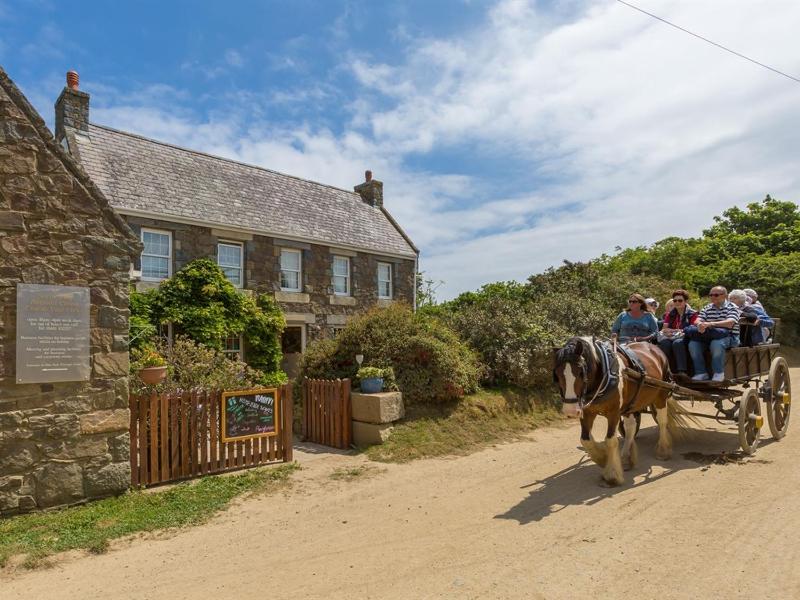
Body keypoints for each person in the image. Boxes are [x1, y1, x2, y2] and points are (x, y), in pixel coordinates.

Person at [687, 286, 741, 382]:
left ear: (725, 296)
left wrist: (711, 324)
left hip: (730, 337)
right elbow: (698, 319)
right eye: (711, 295)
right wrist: (700, 324)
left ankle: (718, 373)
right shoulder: (707, 307)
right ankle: (701, 373)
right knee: (693, 344)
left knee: (716, 344)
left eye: (716, 295)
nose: (713, 297)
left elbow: (730, 323)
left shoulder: (732, 307)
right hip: (709, 336)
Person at [657, 289, 697, 380]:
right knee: (664, 343)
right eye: (675, 300)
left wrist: (673, 330)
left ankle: (682, 371)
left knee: (678, 343)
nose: (677, 302)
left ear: (685, 301)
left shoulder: (692, 314)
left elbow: (691, 329)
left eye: (680, 300)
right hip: (672, 337)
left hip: (688, 338)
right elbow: (664, 329)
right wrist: (674, 331)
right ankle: (666, 370)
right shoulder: (670, 314)